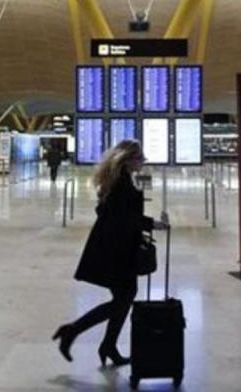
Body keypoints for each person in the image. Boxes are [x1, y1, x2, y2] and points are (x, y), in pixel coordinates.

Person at [52, 140, 164, 367]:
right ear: (129, 159)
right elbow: (125, 219)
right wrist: (154, 224)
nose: (143, 162)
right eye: (140, 158)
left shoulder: (117, 180)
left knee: (123, 298)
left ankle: (107, 345)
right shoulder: (122, 183)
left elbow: (106, 211)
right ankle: (73, 331)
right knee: (123, 298)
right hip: (117, 250)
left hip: (113, 246)